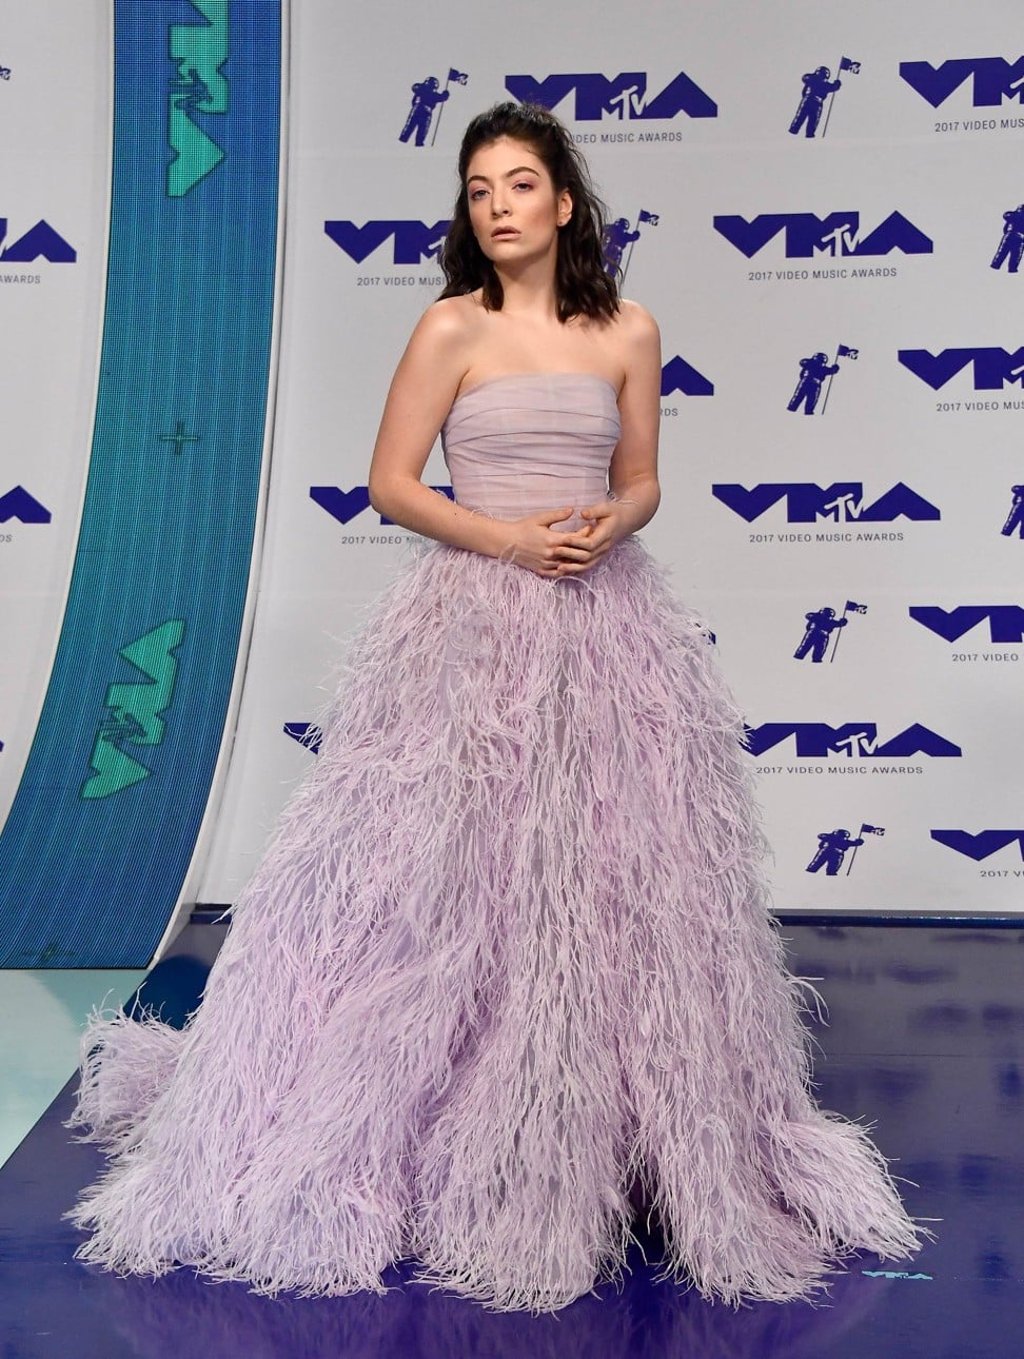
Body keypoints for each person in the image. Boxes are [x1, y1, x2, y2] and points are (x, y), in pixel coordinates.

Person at [63, 100, 927, 1314]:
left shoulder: (629, 330)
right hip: (471, 625)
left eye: (520, 183)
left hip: (607, 626)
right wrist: (510, 543)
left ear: (564, 202)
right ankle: (420, 1127)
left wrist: (608, 525)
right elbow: (391, 483)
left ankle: (600, 1124)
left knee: (606, 879)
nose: (500, 204)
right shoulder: (447, 327)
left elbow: (641, 481)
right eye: (480, 190)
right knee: (444, 883)